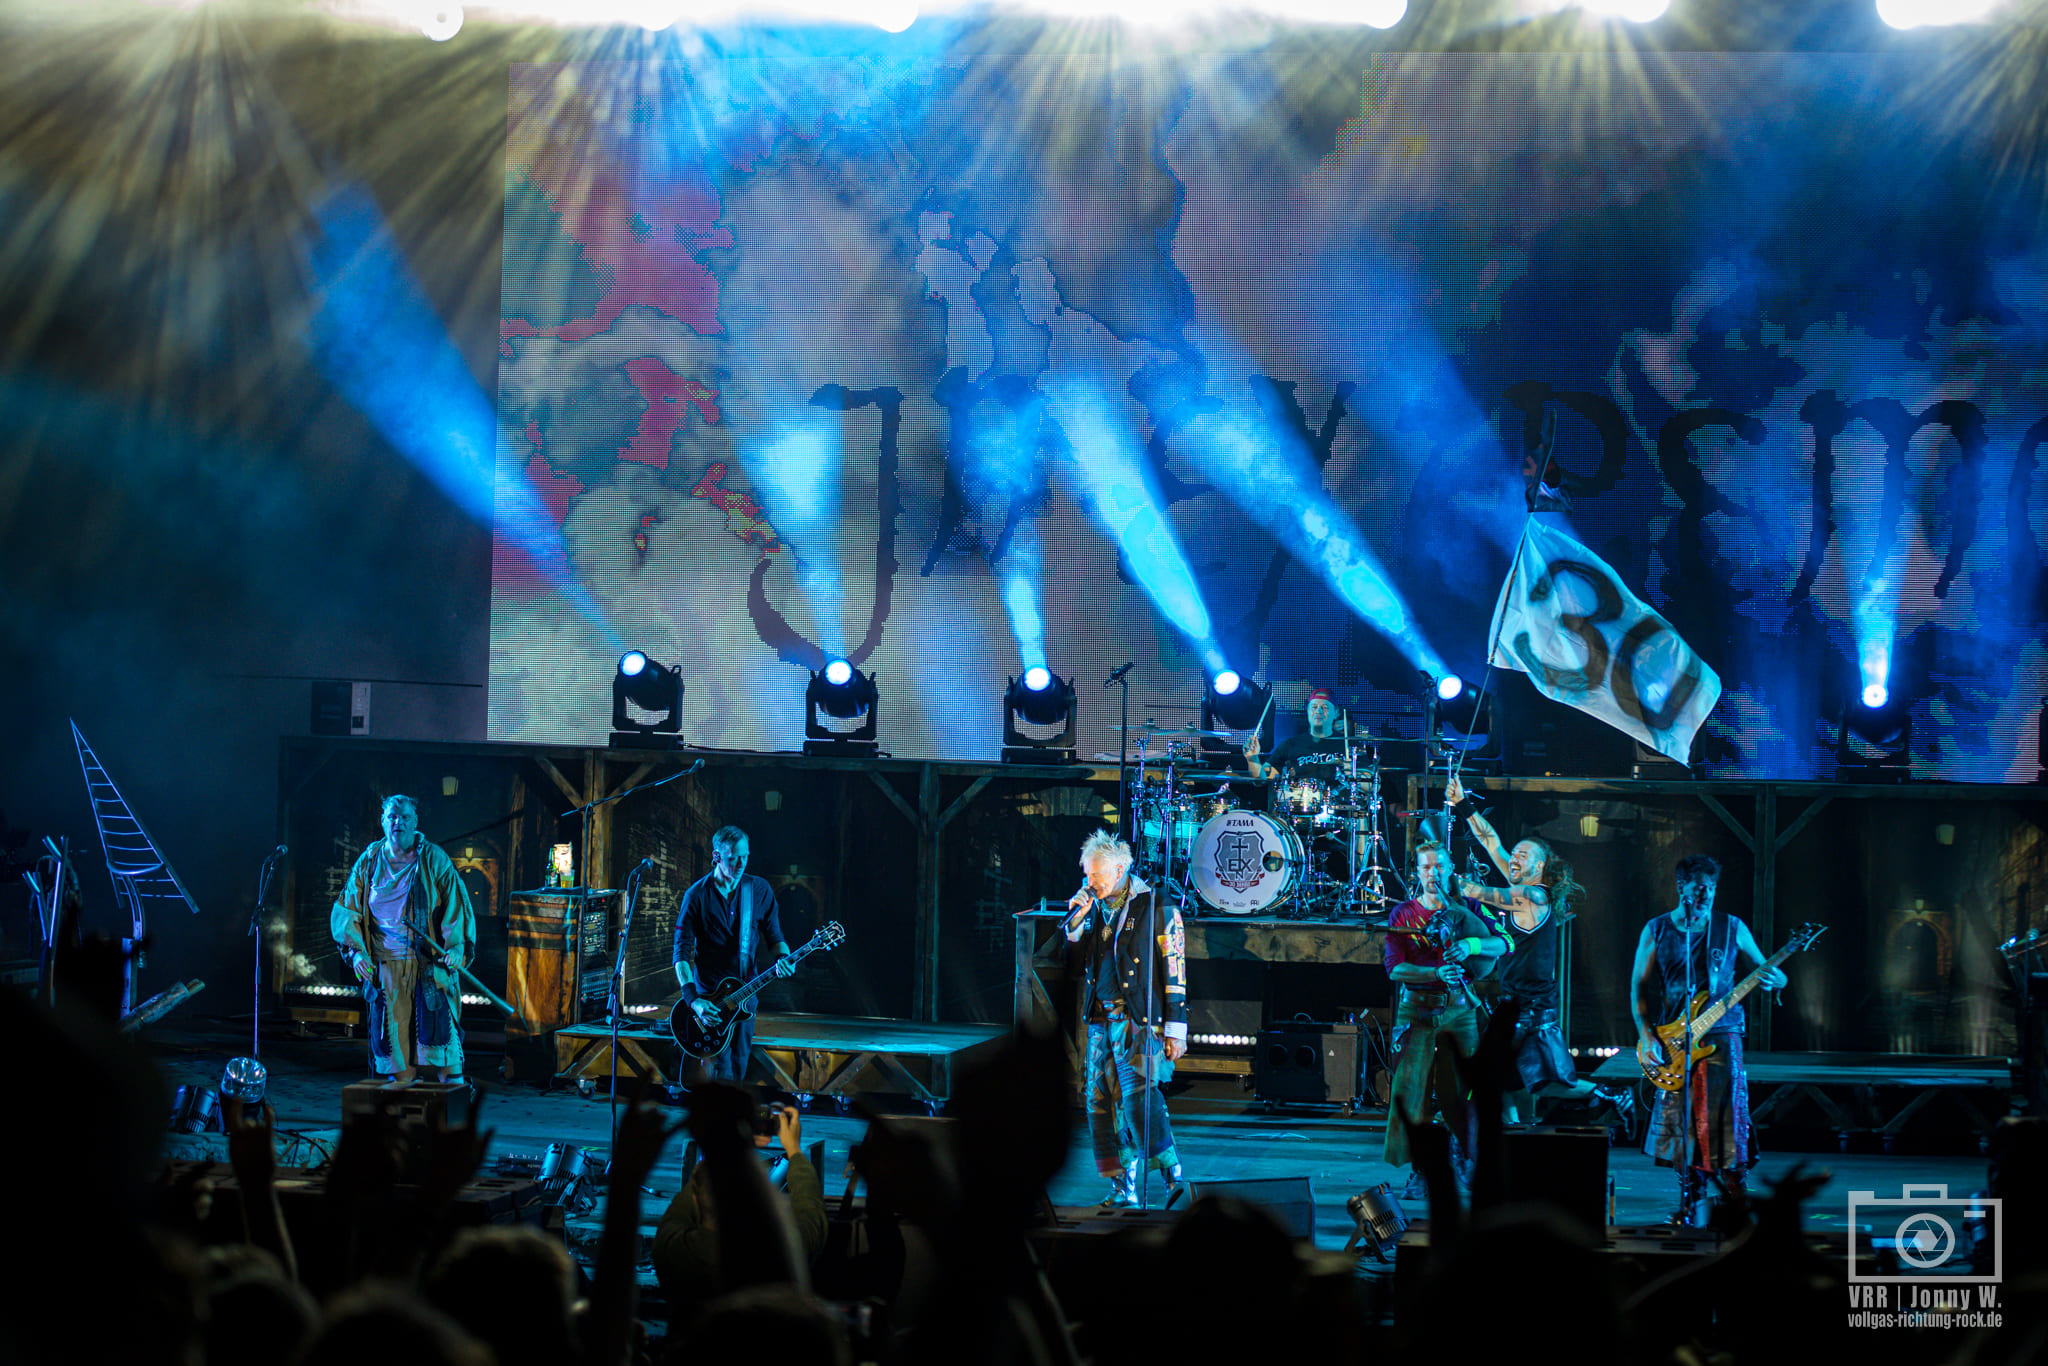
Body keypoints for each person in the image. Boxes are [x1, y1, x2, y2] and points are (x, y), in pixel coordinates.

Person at [1447, 775, 1634, 1126]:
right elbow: (1490, 841)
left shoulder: (1534, 896)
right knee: (1502, 1079)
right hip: (1516, 1004)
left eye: (1524, 855)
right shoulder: (1521, 886)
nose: (1514, 858)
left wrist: (1453, 881)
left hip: (1532, 1010)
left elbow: (1484, 893)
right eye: (1515, 854)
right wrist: (1463, 804)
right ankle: (1510, 1134)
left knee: (1538, 1081)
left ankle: (1606, 1094)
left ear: (1540, 867)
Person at [1631, 853, 1786, 1223]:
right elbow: (1638, 986)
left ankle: (1735, 1193)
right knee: (1682, 1118)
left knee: (1725, 1116)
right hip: (1675, 1037)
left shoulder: (1731, 927)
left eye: (1712, 888)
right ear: (1681, 887)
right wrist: (1646, 1036)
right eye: (1699, 888)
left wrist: (1778, 980)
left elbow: (1768, 970)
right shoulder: (1657, 929)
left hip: (1723, 1033)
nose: (1706, 895)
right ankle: (1692, 1195)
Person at [1064, 828, 1188, 1207]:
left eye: (1097, 874)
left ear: (1119, 870)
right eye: (1087, 874)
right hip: (1100, 1020)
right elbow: (1074, 963)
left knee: (1138, 1100)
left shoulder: (1154, 902)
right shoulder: (1092, 907)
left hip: (1138, 1020)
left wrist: (1176, 1027)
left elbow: (1175, 964)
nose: (1091, 881)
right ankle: (1122, 1186)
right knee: (1099, 1102)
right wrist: (1076, 924)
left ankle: (1172, 1178)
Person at [1382, 838, 1504, 1198]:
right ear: (1416, 873)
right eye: (1426, 867)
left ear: (1451, 870)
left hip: (1459, 1010)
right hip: (1417, 1009)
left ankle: (1465, 1160)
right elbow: (1394, 968)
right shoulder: (1403, 914)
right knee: (1411, 1092)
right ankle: (1422, 1169)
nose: (1433, 873)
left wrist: (1471, 945)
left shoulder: (1470, 907)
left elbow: (1506, 943)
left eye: (1439, 866)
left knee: (1463, 1091)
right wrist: (1434, 973)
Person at [330, 794, 476, 1088]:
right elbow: (347, 909)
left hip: (429, 968)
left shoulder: (433, 858)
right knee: (397, 1060)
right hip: (386, 971)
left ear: (415, 821)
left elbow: (456, 905)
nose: (399, 822)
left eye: (405, 817)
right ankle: (406, 1111)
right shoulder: (370, 860)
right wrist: (356, 953)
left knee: (443, 1052)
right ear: (383, 821)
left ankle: (455, 1113)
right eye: (392, 817)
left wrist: (456, 947)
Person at [653, 1102, 826, 1331]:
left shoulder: (671, 1251)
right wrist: (793, 1148)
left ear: (697, 1198)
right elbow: (809, 1208)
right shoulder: (778, 1256)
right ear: (757, 1200)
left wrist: (726, 1148)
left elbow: (695, 1191)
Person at [673, 826, 794, 1083]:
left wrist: (783, 958)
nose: (740, 864)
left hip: (745, 995)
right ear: (716, 856)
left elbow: (775, 937)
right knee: (721, 1071)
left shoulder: (759, 890)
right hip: (709, 999)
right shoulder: (696, 895)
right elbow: (680, 952)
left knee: (739, 1066)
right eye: (732, 858)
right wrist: (693, 1000)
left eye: (745, 856)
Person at [1242, 687, 1350, 780]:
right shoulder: (1290, 745)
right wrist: (1253, 759)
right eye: (1314, 707)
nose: (1319, 711)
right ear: (1307, 710)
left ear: (1336, 712)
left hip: (1338, 798)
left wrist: (1352, 773)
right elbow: (1262, 780)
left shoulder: (1349, 746)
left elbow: (1361, 783)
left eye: (1325, 707)